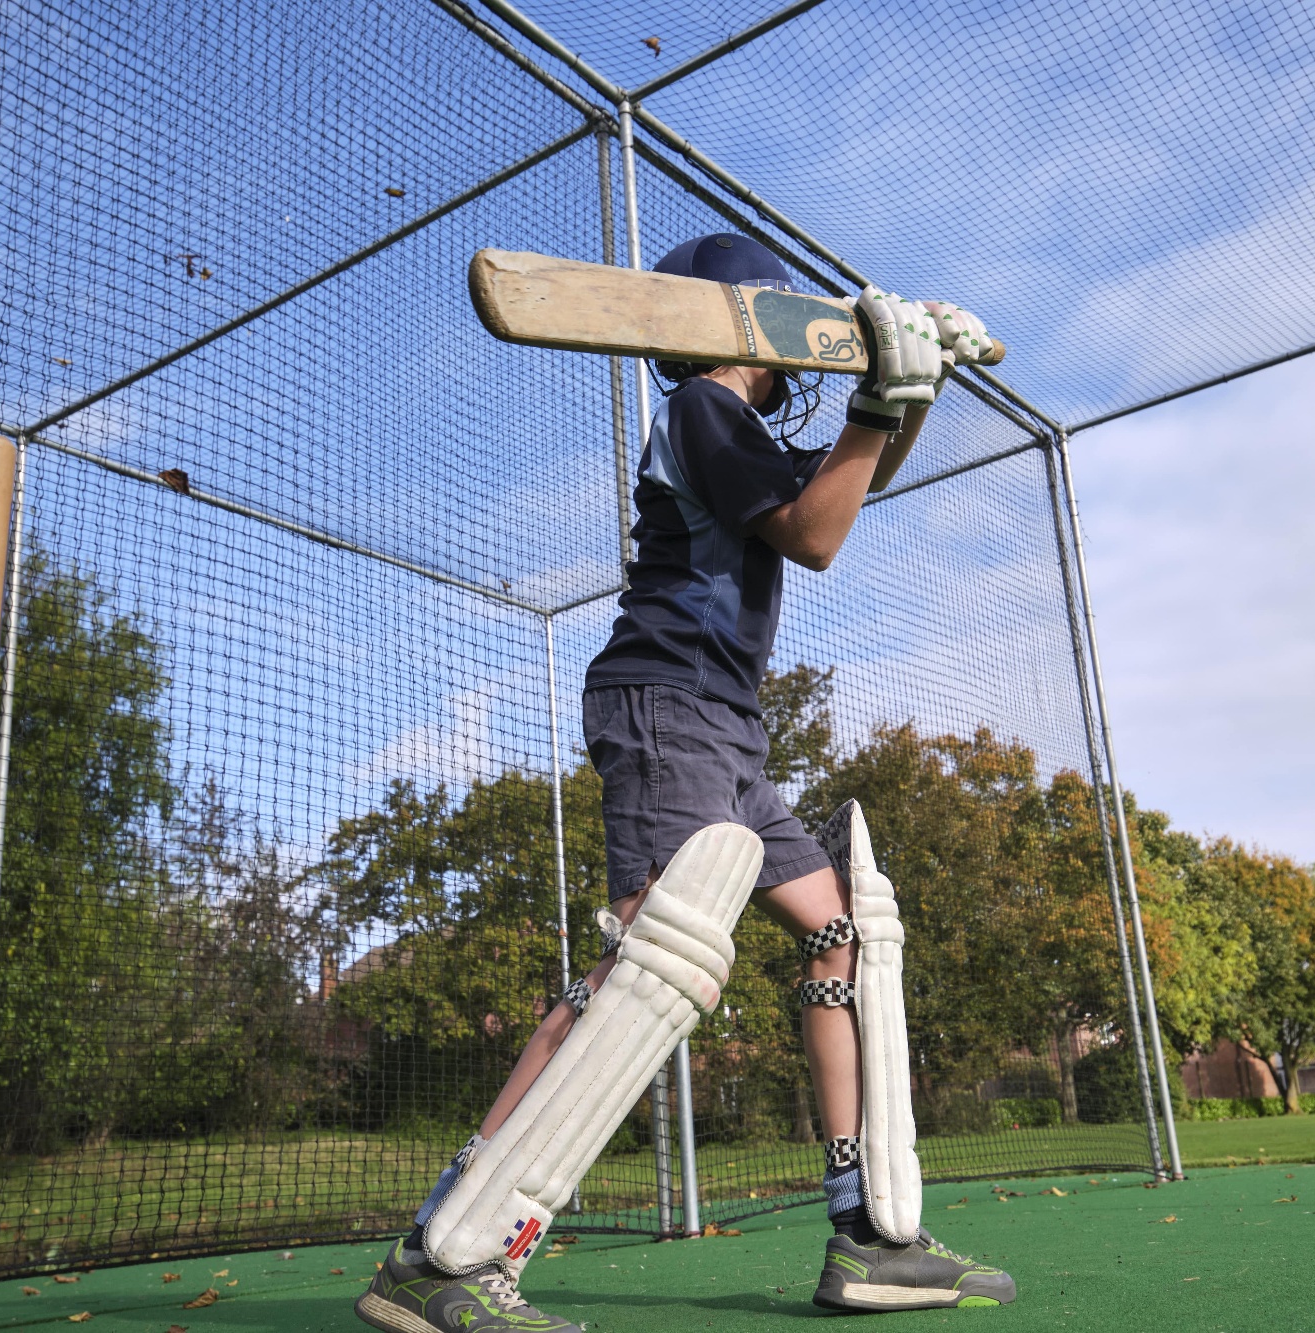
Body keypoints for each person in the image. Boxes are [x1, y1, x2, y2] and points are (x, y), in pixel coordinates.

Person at [356, 234, 1012, 1333]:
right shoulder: (706, 405)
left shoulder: (736, 427)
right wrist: (877, 401)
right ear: (741, 316)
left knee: (844, 932)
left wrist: (910, 395)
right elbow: (814, 537)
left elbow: (841, 493)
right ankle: (441, 1250)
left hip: (723, 725)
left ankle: (868, 1232)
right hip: (668, 703)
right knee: (647, 967)